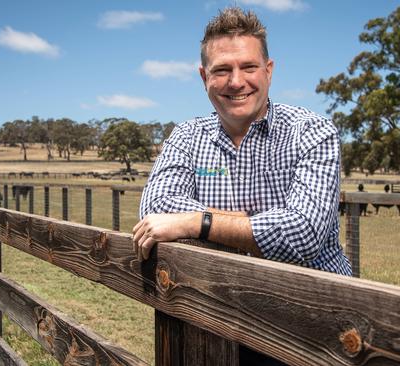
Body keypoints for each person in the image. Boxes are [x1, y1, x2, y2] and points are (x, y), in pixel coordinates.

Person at [133, 7, 352, 276]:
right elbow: (156, 208)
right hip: (222, 306)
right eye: (222, 70)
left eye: (248, 67)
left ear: (268, 71)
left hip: (317, 306)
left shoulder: (312, 132)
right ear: (205, 78)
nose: (236, 82)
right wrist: (259, 222)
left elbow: (303, 235)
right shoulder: (186, 136)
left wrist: (197, 222)